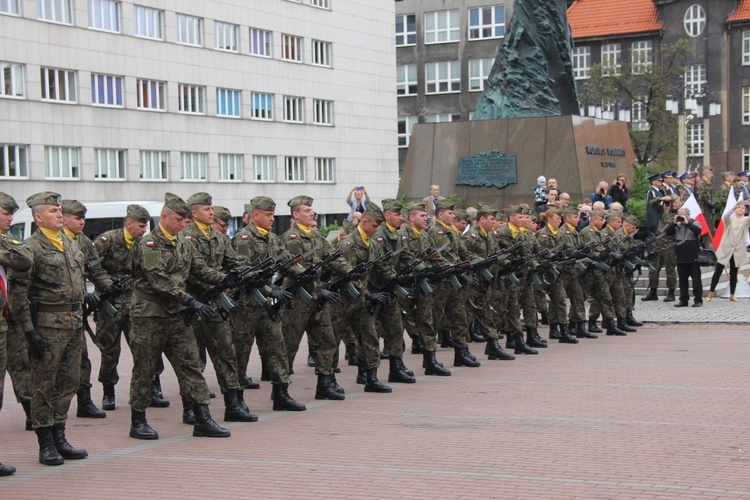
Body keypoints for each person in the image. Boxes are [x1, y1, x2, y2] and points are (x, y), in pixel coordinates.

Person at [127, 193, 231, 441]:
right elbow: (159, 281)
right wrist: (191, 301)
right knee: (145, 367)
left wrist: (228, 278)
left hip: (176, 314)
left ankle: (202, 418)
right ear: (164, 216)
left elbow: (199, 269)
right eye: (179, 219)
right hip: (150, 315)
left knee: (191, 365)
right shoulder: (149, 245)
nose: (184, 223)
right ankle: (138, 421)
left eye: (186, 220)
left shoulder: (184, 243)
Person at [9, 192, 96, 465]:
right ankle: (45, 442)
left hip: (72, 324)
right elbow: (18, 295)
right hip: (46, 326)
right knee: (44, 385)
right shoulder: (30, 248)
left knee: (68, 382)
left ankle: (60, 436)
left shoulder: (70, 245)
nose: (59, 214)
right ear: (38, 217)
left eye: (60, 210)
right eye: (52, 211)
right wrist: (28, 331)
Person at [183, 193, 258, 423]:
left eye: (211, 208)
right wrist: (224, 279)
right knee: (192, 359)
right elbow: (195, 271)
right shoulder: (186, 238)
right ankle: (191, 407)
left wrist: (250, 273)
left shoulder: (219, 237)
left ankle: (233, 404)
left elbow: (233, 261)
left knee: (227, 351)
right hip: (193, 305)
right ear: (194, 213)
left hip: (215, 304)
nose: (211, 212)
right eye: (206, 209)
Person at [231, 196, 306, 411]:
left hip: (265, 305)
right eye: (268, 214)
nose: (272, 218)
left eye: (273, 214)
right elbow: (244, 271)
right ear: (256, 215)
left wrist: (306, 274)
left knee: (277, 347)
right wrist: (269, 289)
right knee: (241, 352)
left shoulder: (272, 239)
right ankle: (236, 399)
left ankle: (281, 393)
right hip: (246, 304)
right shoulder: (243, 238)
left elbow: (285, 260)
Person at [280, 195, 353, 400]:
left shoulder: (316, 236)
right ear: (296, 214)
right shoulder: (291, 237)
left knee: (327, 341)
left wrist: (348, 271)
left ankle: (325, 383)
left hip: (317, 297)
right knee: (289, 345)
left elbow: (333, 257)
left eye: (311, 211)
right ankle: (281, 390)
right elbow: (292, 264)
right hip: (298, 298)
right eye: (307, 211)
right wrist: (304, 272)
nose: (311, 214)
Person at [94, 204, 165, 412]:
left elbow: (152, 271)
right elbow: (91, 265)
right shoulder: (108, 240)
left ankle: (153, 387)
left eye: (145, 226)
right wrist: (107, 284)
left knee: (145, 347)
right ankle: (108, 391)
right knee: (109, 349)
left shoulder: (147, 244)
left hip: (136, 303)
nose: (144, 230)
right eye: (141, 226)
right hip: (111, 304)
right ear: (128, 223)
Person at [60, 200, 114, 420]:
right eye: (77, 218)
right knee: (51, 362)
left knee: (82, 358)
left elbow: (95, 270)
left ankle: (84, 401)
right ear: (64, 218)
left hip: (76, 310)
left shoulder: (83, 242)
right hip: (52, 311)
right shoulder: (56, 241)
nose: (82, 222)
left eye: (83, 218)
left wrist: (109, 287)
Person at [0, 192, 32, 475]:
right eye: (6, 214)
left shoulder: (6, 240)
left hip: (7, 319)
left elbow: (24, 259)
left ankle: (31, 413)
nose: (11, 219)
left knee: (21, 368)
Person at [707, 201, 750, 302]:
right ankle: (710, 293)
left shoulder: (745, 221)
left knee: (734, 273)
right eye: (739, 208)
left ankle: (732, 294)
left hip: (737, 249)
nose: (740, 209)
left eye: (743, 208)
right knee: (718, 270)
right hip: (727, 247)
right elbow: (725, 217)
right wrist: (733, 207)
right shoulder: (731, 219)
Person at [666, 207, 703, 307]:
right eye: (679, 215)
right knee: (682, 280)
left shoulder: (695, 223)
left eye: (683, 215)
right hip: (681, 255)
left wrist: (688, 223)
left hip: (693, 255)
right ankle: (683, 299)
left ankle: (698, 299)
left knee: (696, 280)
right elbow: (667, 232)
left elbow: (698, 231)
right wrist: (674, 223)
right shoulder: (677, 225)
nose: (681, 218)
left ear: (688, 215)